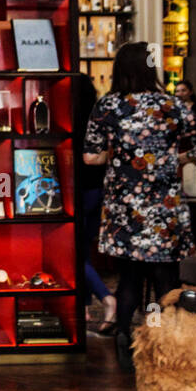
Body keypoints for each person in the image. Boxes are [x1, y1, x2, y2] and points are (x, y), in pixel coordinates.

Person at [84, 43, 196, 370]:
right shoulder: (173, 105)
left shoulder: (108, 105)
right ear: (151, 69)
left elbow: (90, 156)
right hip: (164, 205)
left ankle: (124, 336)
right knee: (167, 279)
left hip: (125, 204)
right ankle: (165, 344)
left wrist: (125, 157)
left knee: (129, 278)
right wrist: (172, 159)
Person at [73, 73, 117, 334]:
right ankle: (84, 305)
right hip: (97, 190)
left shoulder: (70, 120)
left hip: (76, 191)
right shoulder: (98, 119)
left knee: (72, 251)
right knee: (83, 249)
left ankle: (106, 298)